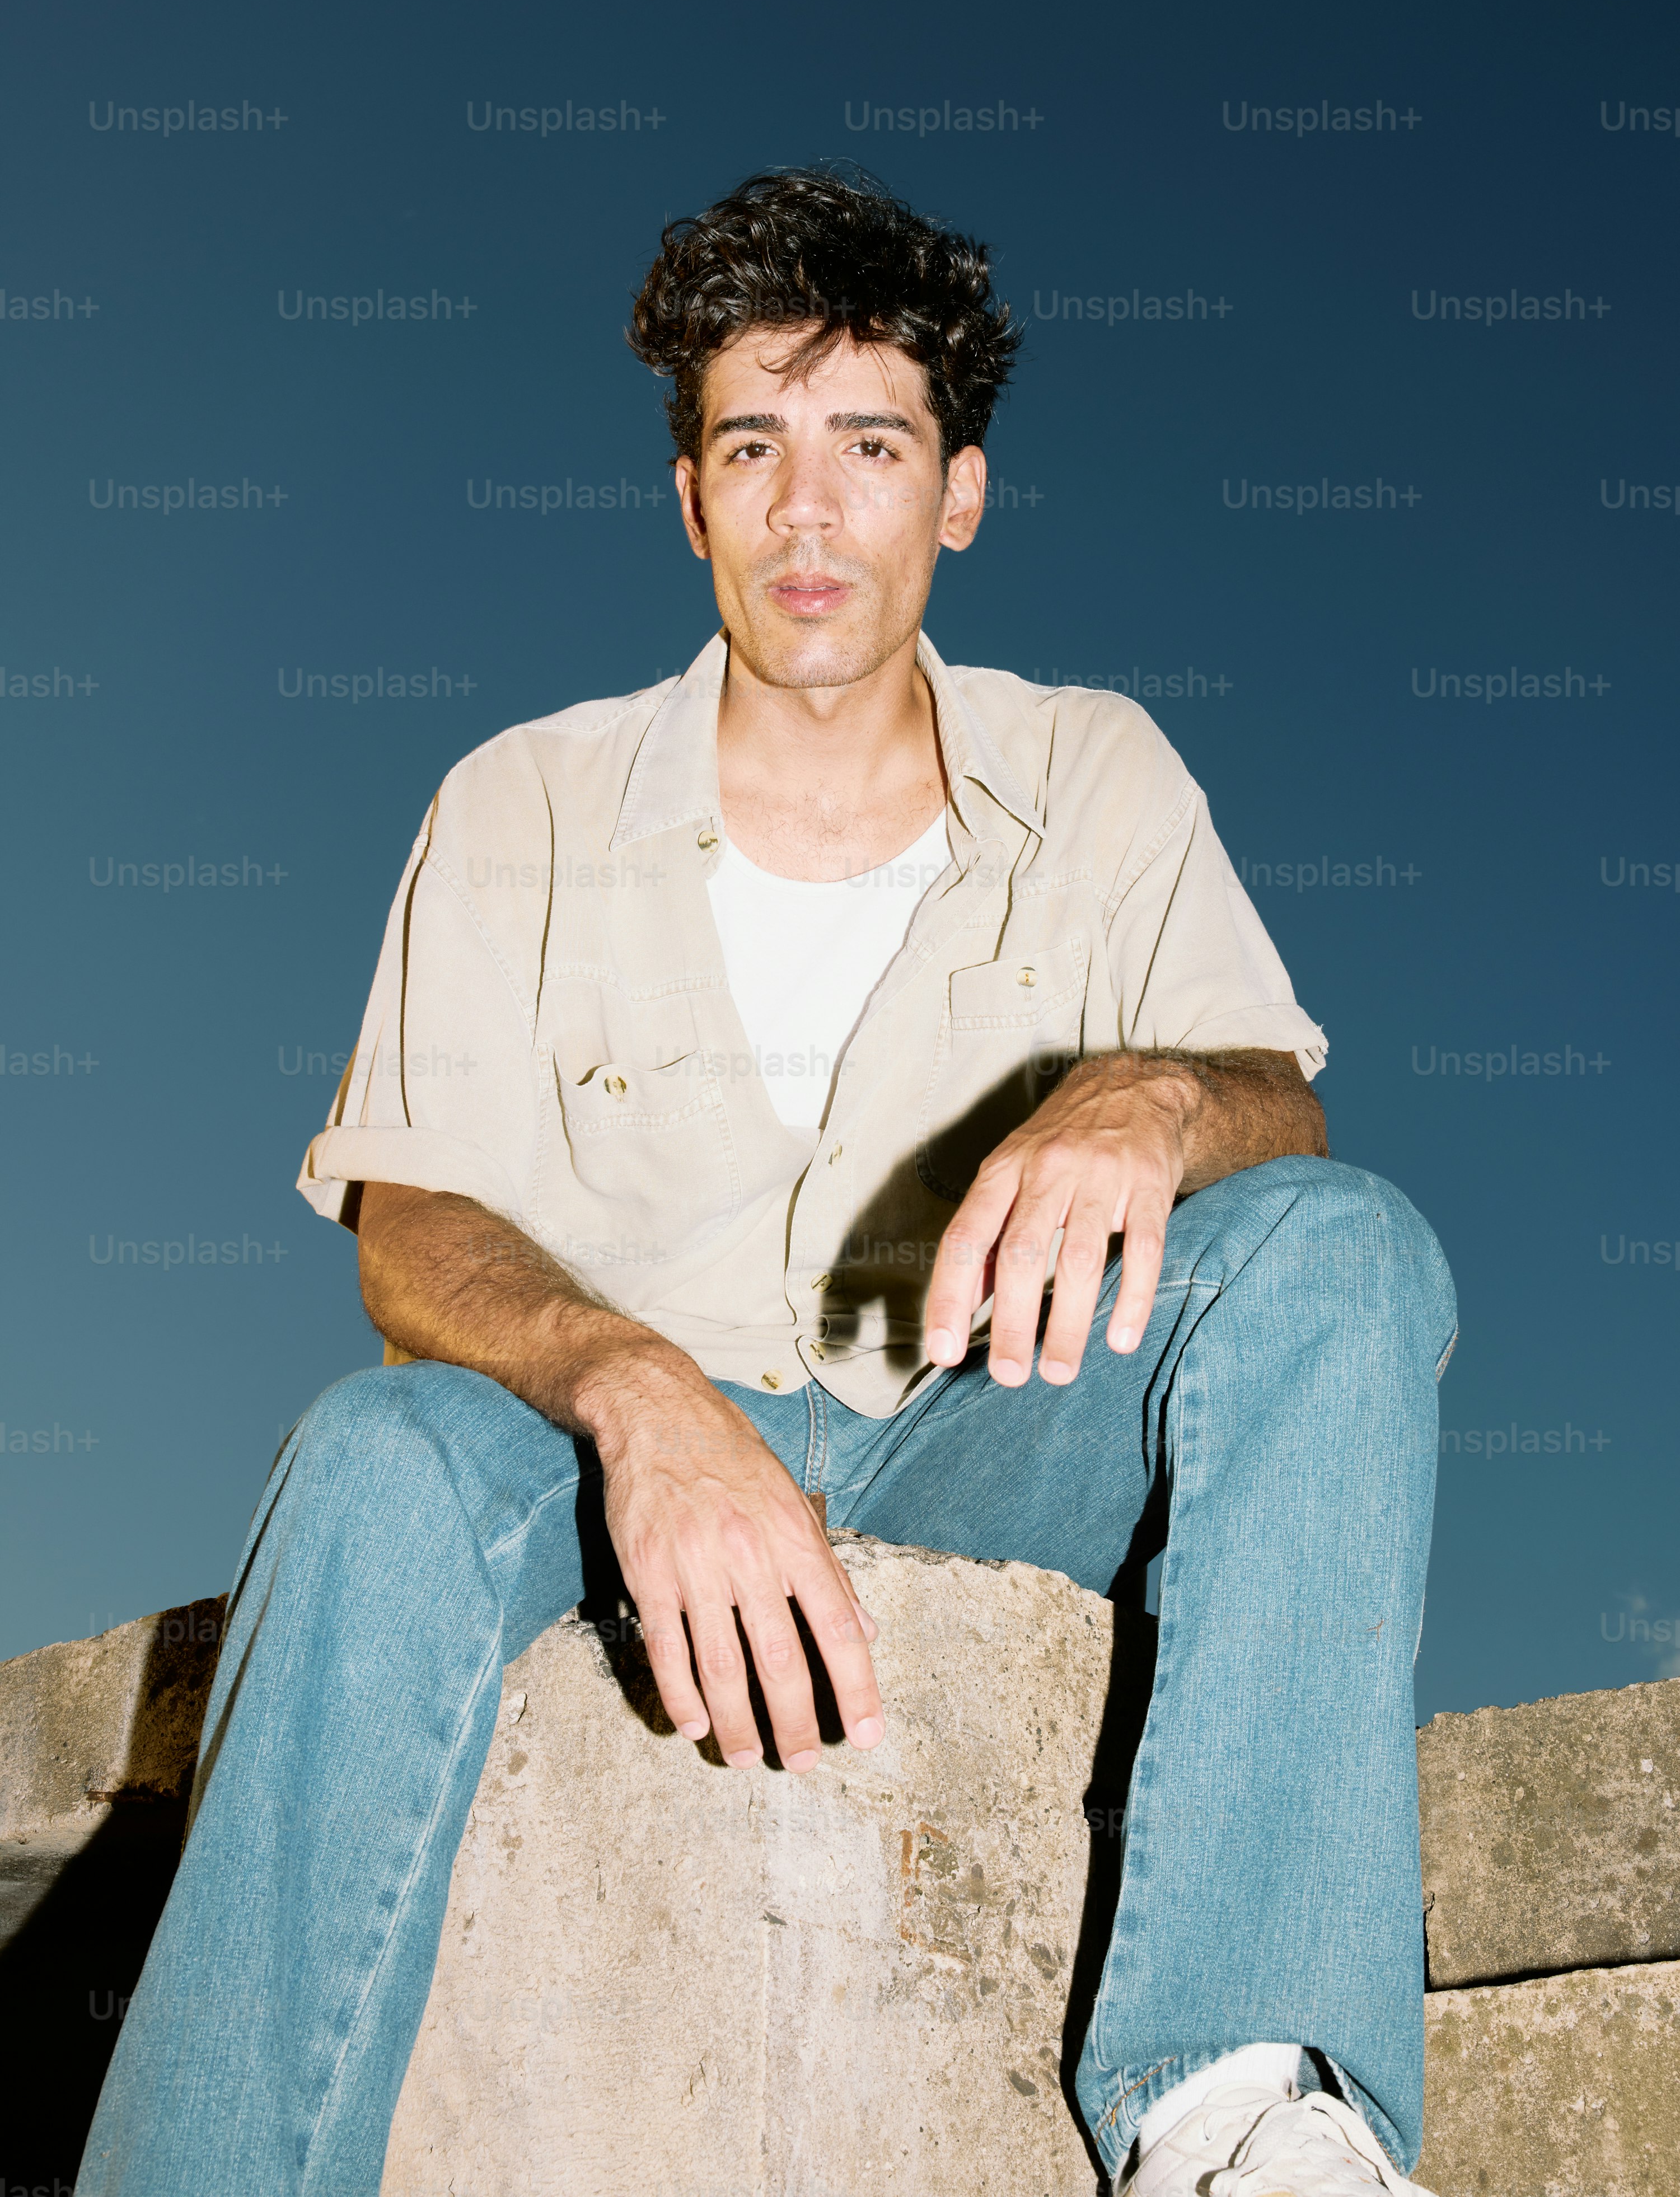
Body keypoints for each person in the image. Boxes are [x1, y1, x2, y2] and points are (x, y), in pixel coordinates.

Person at [79, 168, 1456, 2197]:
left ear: (958, 493)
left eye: (870, 447)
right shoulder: (518, 800)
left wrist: (1152, 1096)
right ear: (691, 499)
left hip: (988, 1427)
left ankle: (1247, 2102)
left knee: (1345, 1250)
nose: (810, 513)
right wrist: (643, 1400)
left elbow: (1282, 1108)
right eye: (754, 447)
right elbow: (412, 1219)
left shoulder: (1096, 771)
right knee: (370, 1453)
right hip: (596, 1458)